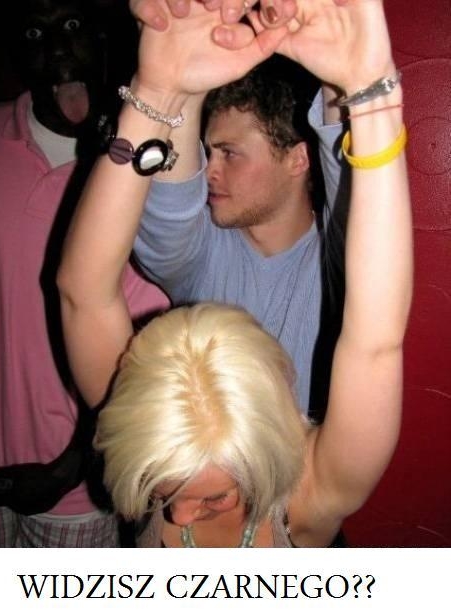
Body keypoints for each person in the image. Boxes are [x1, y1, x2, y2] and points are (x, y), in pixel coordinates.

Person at [57, 0, 412, 547]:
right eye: (159, 487)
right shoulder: (203, 255)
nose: (178, 516)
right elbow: (82, 291)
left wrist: (366, 95)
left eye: (215, 496)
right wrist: (159, 92)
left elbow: (375, 340)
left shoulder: (305, 498)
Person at [0, 0, 168, 548]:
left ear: (103, 41)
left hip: (77, 495)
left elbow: (149, 351)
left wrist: (71, 468)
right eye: (36, 34)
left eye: (73, 27)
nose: (58, 47)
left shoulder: (146, 166)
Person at [123, 0, 347, 416]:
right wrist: (186, 87)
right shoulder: (202, 254)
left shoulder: (336, 260)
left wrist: (340, 72)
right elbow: (169, 209)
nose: (210, 170)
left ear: (297, 159)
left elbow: (347, 170)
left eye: (229, 153)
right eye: (209, 152)